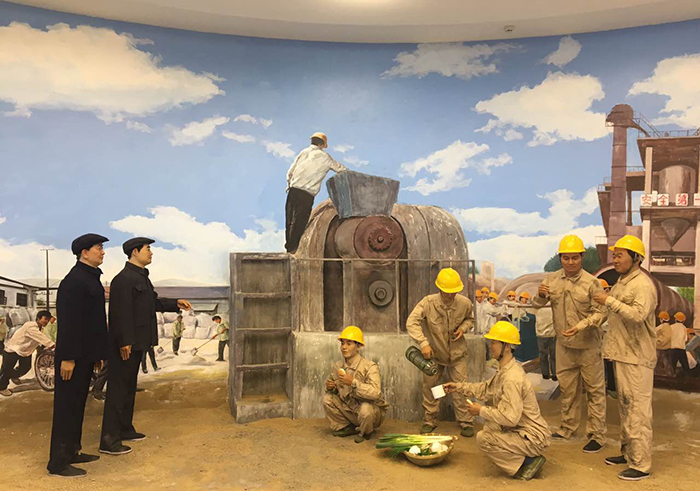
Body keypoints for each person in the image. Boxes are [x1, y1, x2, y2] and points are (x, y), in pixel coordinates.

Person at [99, 237, 192, 456]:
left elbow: (153, 303)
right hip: (126, 344)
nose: (151, 253)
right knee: (118, 390)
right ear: (135, 252)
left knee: (129, 387)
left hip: (138, 341)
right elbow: (119, 313)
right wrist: (124, 341)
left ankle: (125, 428)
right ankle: (109, 439)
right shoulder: (123, 279)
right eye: (147, 249)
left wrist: (175, 303)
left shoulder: (141, 277)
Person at [444, 321, 551, 480]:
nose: (491, 346)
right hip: (522, 430)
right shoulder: (505, 370)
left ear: (506, 347)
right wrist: (458, 387)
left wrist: (480, 411)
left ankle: (528, 462)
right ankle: (524, 458)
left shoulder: (511, 379)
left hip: (532, 437)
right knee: (490, 426)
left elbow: (510, 418)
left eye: (494, 342)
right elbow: (485, 389)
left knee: (484, 438)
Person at [533, 234, 607, 454]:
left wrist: (581, 326)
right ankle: (568, 428)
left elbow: (601, 313)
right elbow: (536, 304)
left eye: (575, 257)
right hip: (564, 345)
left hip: (588, 346)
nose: (571, 262)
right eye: (566, 258)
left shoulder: (592, 283)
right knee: (568, 390)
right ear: (561, 258)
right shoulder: (551, 280)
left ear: (582, 257)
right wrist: (539, 295)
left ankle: (597, 435)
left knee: (594, 392)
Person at [47, 233, 111, 478]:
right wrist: (68, 357)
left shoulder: (90, 279)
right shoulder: (74, 281)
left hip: (85, 356)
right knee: (66, 408)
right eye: (98, 248)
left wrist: (97, 354)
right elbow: (69, 323)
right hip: (72, 358)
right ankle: (58, 463)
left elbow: (93, 322)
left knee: (77, 406)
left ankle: (73, 451)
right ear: (84, 252)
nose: (102, 252)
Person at [595, 235, 657, 481]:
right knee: (625, 407)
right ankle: (629, 453)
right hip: (623, 355)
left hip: (637, 357)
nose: (615, 259)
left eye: (620, 255)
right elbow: (610, 313)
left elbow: (638, 315)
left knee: (638, 411)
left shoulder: (642, 285)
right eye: (614, 255)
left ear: (636, 258)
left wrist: (609, 300)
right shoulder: (622, 282)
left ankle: (641, 465)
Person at [406, 268, 476, 437]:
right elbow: (411, 322)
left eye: (454, 291)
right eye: (447, 292)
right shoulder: (428, 303)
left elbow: (470, 319)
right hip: (434, 356)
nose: (450, 295)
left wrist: (463, 328)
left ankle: (466, 421)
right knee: (432, 388)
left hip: (457, 355)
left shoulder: (465, 303)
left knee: (460, 388)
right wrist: (423, 343)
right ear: (439, 289)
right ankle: (430, 420)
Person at [323, 326, 388, 444]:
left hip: (369, 412)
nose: (344, 347)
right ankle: (347, 427)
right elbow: (336, 391)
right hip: (350, 409)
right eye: (342, 343)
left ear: (358, 346)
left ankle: (365, 432)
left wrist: (353, 382)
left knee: (366, 409)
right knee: (328, 399)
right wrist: (330, 387)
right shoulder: (338, 366)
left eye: (349, 344)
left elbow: (376, 393)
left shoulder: (370, 366)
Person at [285, 132, 347, 253]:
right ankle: (293, 248)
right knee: (300, 221)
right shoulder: (325, 157)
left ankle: (289, 247)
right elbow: (341, 169)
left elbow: (290, 172)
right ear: (323, 145)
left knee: (289, 220)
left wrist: (289, 184)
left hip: (293, 190)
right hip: (307, 194)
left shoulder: (303, 152)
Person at [0, 310, 55, 397]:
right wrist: (52, 344)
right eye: (45, 319)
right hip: (13, 349)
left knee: (25, 367)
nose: (46, 321)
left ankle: (13, 375)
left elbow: (36, 340)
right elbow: (39, 337)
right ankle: (2, 387)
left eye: (48, 320)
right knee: (6, 369)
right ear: (38, 318)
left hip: (24, 351)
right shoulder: (30, 326)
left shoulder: (40, 328)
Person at [535, 306, 556, 381]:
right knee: (552, 355)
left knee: (545, 355)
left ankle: (547, 374)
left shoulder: (539, 305)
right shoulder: (540, 304)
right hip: (549, 334)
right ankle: (553, 374)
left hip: (546, 333)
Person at [670, 312, 690, 376]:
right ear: (683, 320)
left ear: (675, 319)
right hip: (681, 349)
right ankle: (688, 377)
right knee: (685, 366)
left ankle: (672, 377)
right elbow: (685, 339)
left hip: (673, 349)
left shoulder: (671, 327)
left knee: (672, 365)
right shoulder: (684, 328)